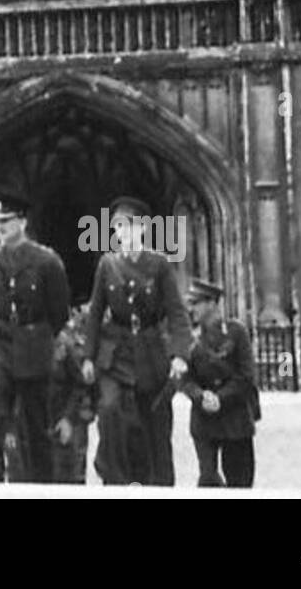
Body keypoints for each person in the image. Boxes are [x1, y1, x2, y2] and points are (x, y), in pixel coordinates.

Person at [81, 196, 190, 486]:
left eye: (127, 227)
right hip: (115, 352)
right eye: (117, 227)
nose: (122, 234)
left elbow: (177, 313)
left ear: (142, 229)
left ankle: (158, 484)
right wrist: (88, 357)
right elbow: (94, 314)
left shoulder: (159, 265)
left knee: (154, 421)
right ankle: (114, 480)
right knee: (109, 409)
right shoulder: (107, 264)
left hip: (150, 352)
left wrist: (180, 354)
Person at [0, 191, 70, 483]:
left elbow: (59, 313)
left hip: (34, 347)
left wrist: (42, 338)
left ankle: (40, 485)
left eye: (6, 221)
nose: (0, 227)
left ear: (22, 221)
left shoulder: (46, 261)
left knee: (35, 425)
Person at [180, 277, 259, 488]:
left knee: (239, 483)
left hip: (235, 419)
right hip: (204, 421)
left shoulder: (236, 332)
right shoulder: (190, 338)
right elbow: (185, 378)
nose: (192, 309)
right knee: (208, 481)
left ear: (212, 303)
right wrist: (200, 395)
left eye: (196, 303)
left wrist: (220, 398)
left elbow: (246, 375)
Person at [49, 304, 95, 484]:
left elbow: (81, 384)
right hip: (30, 422)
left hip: (66, 419)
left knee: (70, 477)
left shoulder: (66, 345)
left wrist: (68, 418)